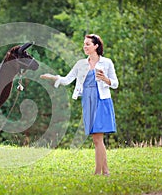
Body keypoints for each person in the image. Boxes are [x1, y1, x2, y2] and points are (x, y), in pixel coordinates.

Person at [40, 34, 118, 176]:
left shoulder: (107, 63)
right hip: (87, 101)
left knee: (97, 138)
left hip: (101, 100)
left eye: (88, 44)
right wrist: (53, 77)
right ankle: (105, 171)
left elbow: (115, 83)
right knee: (96, 138)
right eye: (84, 44)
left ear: (96, 46)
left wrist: (106, 80)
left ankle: (97, 172)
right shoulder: (81, 64)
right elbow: (67, 80)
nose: (85, 46)